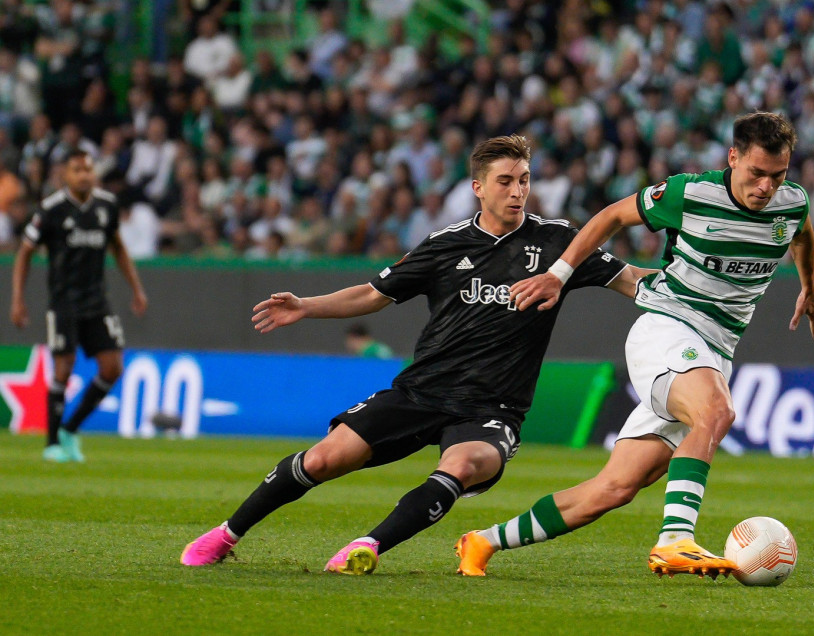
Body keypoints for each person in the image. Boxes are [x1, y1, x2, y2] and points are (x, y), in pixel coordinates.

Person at [180, 135, 652, 574]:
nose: (517, 191)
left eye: (524, 180)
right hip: (422, 391)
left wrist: (698, 284)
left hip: (493, 408)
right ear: (478, 188)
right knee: (324, 459)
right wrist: (306, 306)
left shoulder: (557, 242)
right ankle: (226, 534)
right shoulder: (445, 245)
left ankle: (367, 546)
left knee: (462, 467)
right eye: (505, 181)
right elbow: (373, 295)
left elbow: (631, 279)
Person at [456, 112, 814, 578]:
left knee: (614, 488)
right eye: (756, 173)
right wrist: (558, 274)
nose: (766, 187)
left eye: (778, 175)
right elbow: (610, 216)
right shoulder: (691, 193)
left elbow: (802, 232)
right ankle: (674, 540)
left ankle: (482, 542)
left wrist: (809, 284)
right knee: (716, 412)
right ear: (733, 158)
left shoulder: (791, 203)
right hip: (668, 328)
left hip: (715, 351)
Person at [10, 150, 148, 463]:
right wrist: (17, 298)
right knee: (63, 369)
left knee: (113, 368)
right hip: (63, 303)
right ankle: (51, 443)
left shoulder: (107, 205)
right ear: (66, 176)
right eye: (77, 169)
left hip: (97, 301)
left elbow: (118, 248)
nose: (84, 174)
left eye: (88, 168)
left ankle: (70, 429)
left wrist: (136, 289)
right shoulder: (51, 209)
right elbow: (25, 253)